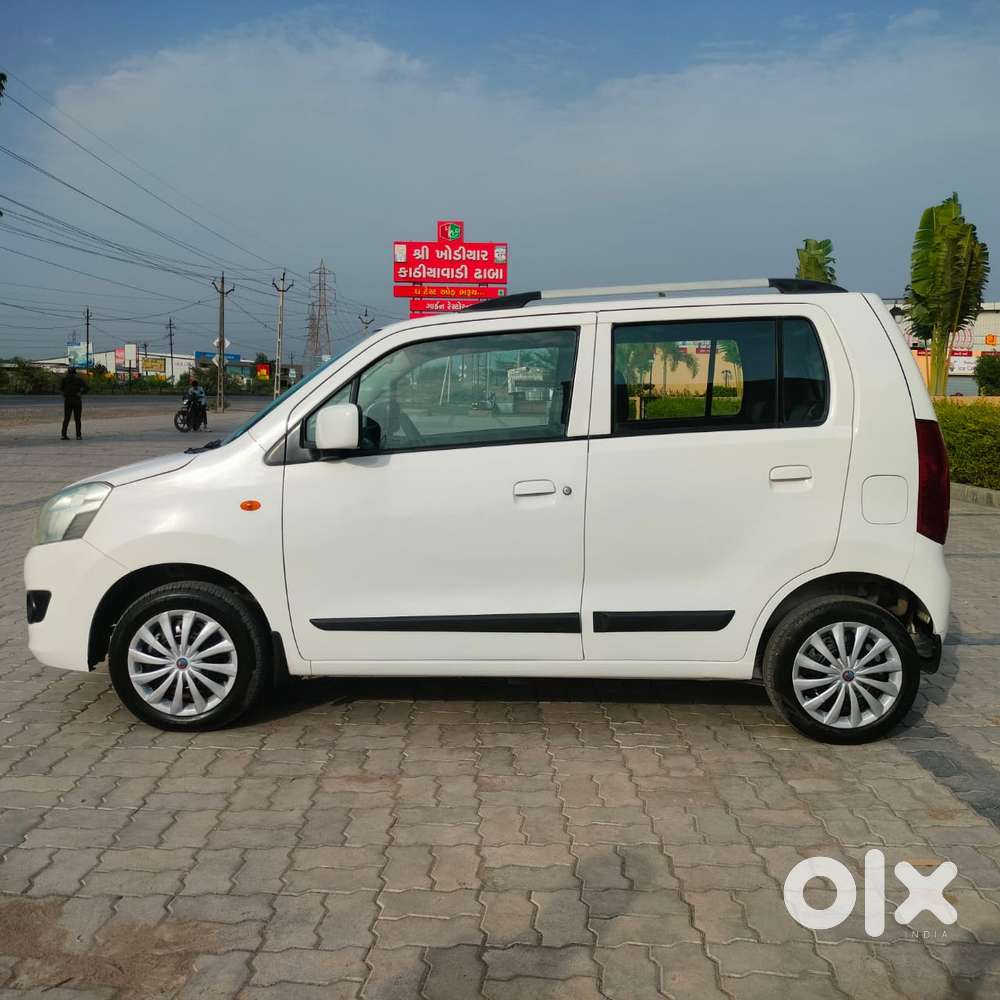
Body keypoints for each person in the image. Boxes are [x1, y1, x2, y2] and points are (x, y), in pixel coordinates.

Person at [60, 366, 88, 440]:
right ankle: (78, 435)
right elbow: (86, 388)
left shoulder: (64, 380)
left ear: (68, 372)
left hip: (68, 400)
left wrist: (65, 394)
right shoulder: (78, 379)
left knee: (66, 418)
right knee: (77, 419)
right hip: (77, 400)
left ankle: (63, 434)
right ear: (75, 372)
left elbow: (61, 389)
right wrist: (81, 393)